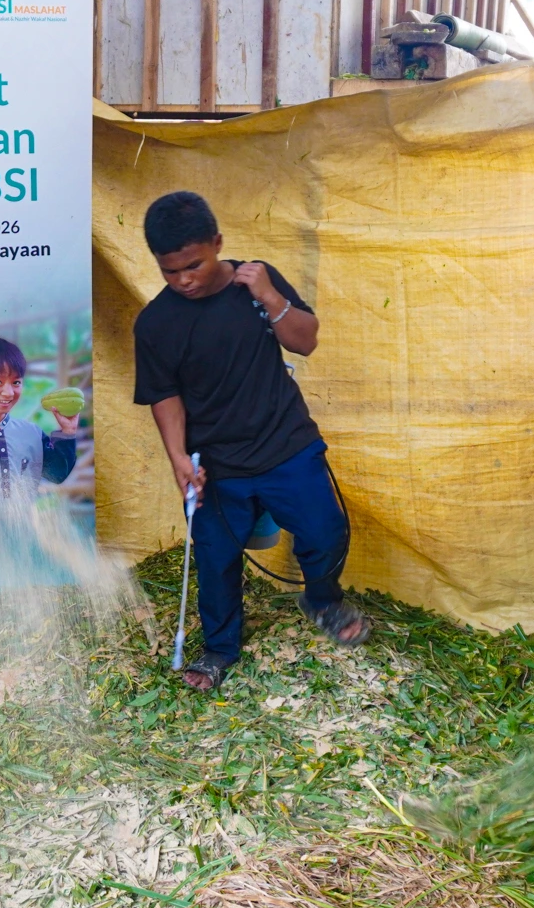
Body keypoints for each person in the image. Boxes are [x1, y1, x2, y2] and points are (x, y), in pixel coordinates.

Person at [133, 190, 368, 692]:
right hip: (215, 463)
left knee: (325, 532)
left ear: (217, 243)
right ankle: (220, 647)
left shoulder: (257, 280)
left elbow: (305, 340)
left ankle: (322, 600)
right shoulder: (154, 323)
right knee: (215, 559)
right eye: (170, 271)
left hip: (286, 442)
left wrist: (269, 295)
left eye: (193, 265)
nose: (184, 280)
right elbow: (164, 395)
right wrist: (178, 457)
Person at [0, 336, 78, 501]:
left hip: (24, 526)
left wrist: (68, 432)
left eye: (16, 383)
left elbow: (57, 474)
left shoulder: (32, 433)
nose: (9, 392)